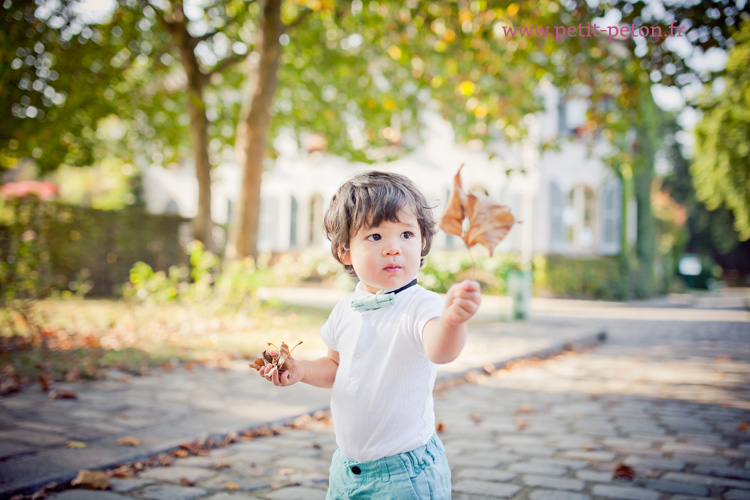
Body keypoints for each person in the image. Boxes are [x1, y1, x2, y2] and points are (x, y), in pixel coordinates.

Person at [258, 171, 482, 499]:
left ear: (422, 242)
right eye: (376, 237)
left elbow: (440, 350)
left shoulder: (422, 306)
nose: (393, 248)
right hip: (347, 469)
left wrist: (453, 321)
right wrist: (303, 370)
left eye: (406, 234)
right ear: (344, 252)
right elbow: (335, 367)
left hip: (406, 474)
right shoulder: (346, 309)